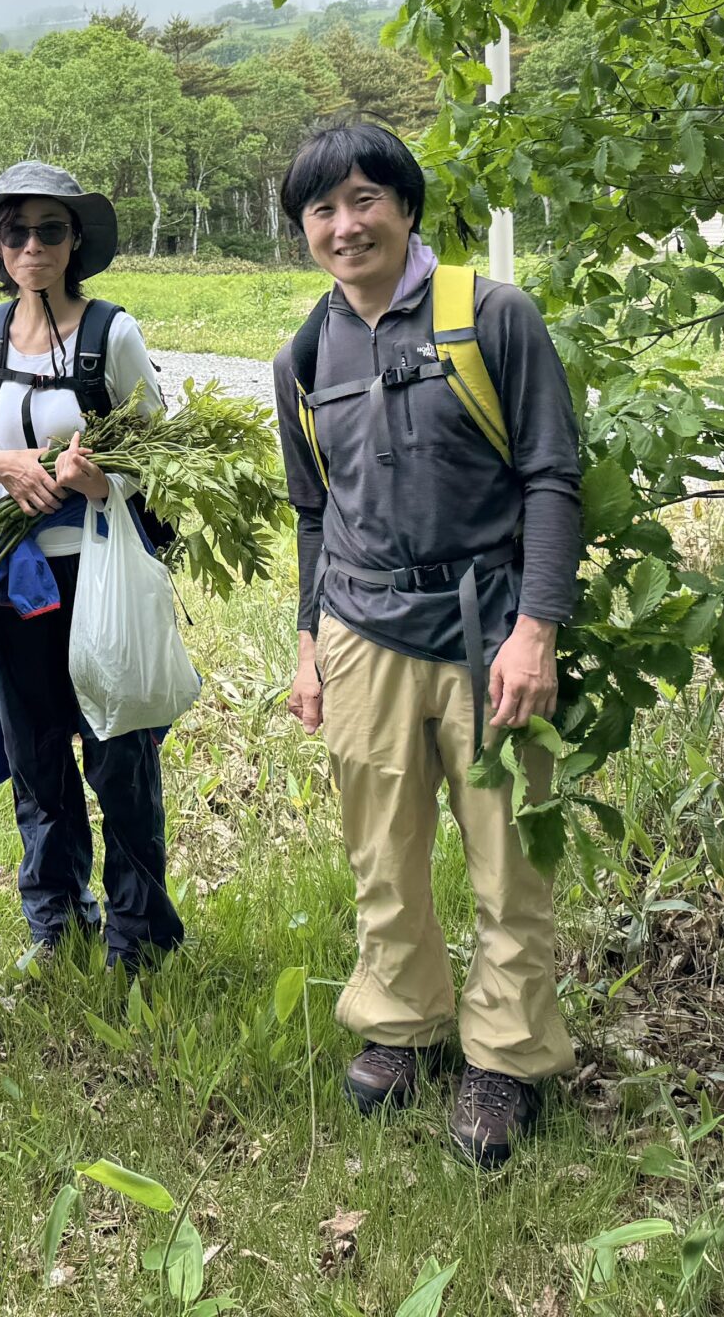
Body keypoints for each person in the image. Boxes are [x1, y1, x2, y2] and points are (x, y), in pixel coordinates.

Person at [272, 123, 583, 1170]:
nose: (344, 225)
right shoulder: (305, 353)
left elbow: (551, 477)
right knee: (382, 850)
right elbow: (313, 513)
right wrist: (308, 645)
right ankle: (401, 1024)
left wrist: (535, 631)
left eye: (364, 199)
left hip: (489, 628)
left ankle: (506, 1056)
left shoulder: (490, 316)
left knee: (507, 855)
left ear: (405, 207)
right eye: (321, 210)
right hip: (361, 630)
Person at [0, 161, 185, 975]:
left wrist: (100, 480)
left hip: (100, 573)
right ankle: (57, 921)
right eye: (16, 232)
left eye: (49, 230)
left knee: (119, 752)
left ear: (75, 241)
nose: (32, 245)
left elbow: (161, 453)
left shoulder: (113, 333)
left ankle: (140, 935)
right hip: (15, 577)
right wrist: (1, 466)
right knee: (36, 755)